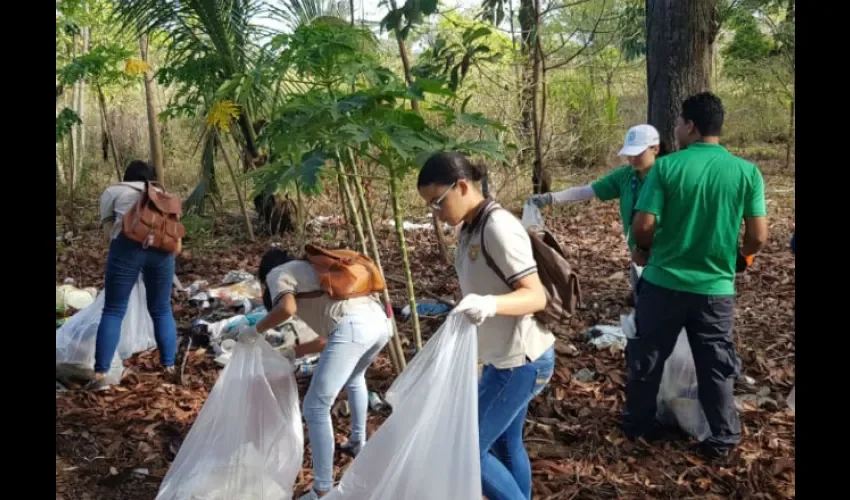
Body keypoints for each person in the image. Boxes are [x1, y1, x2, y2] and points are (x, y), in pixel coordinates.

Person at [625, 92, 768, 459]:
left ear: (690, 125)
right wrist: (742, 258)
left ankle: (639, 425)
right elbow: (758, 236)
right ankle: (722, 438)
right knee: (715, 364)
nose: (675, 130)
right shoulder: (746, 172)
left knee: (648, 356)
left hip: (662, 283)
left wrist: (647, 248)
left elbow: (643, 226)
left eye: (677, 124)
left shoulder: (666, 168)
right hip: (715, 289)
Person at [417, 152, 555, 500]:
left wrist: (489, 305)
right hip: (501, 358)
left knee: (465, 449)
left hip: (520, 359)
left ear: (462, 186)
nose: (436, 212)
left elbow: (535, 296)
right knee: (505, 446)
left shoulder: (497, 226)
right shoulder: (470, 227)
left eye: (437, 202)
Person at [237, 248, 391, 500]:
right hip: (380, 323)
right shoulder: (311, 271)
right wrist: (291, 353)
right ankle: (358, 442)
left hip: (355, 327)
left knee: (315, 407)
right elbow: (326, 340)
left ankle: (321, 488)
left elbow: (286, 308)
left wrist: (256, 330)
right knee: (355, 379)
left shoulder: (277, 273)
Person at [528, 124, 661, 300]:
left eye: (639, 153)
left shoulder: (666, 174)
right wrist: (550, 198)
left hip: (663, 254)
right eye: (630, 153)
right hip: (637, 252)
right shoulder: (625, 176)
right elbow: (586, 191)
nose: (633, 158)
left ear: (655, 149)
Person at [86, 161, 179, 391]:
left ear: (127, 175)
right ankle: (169, 366)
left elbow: (109, 231)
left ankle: (101, 372)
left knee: (114, 309)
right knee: (161, 309)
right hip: (162, 252)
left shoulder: (113, 191)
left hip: (127, 249)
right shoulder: (162, 194)